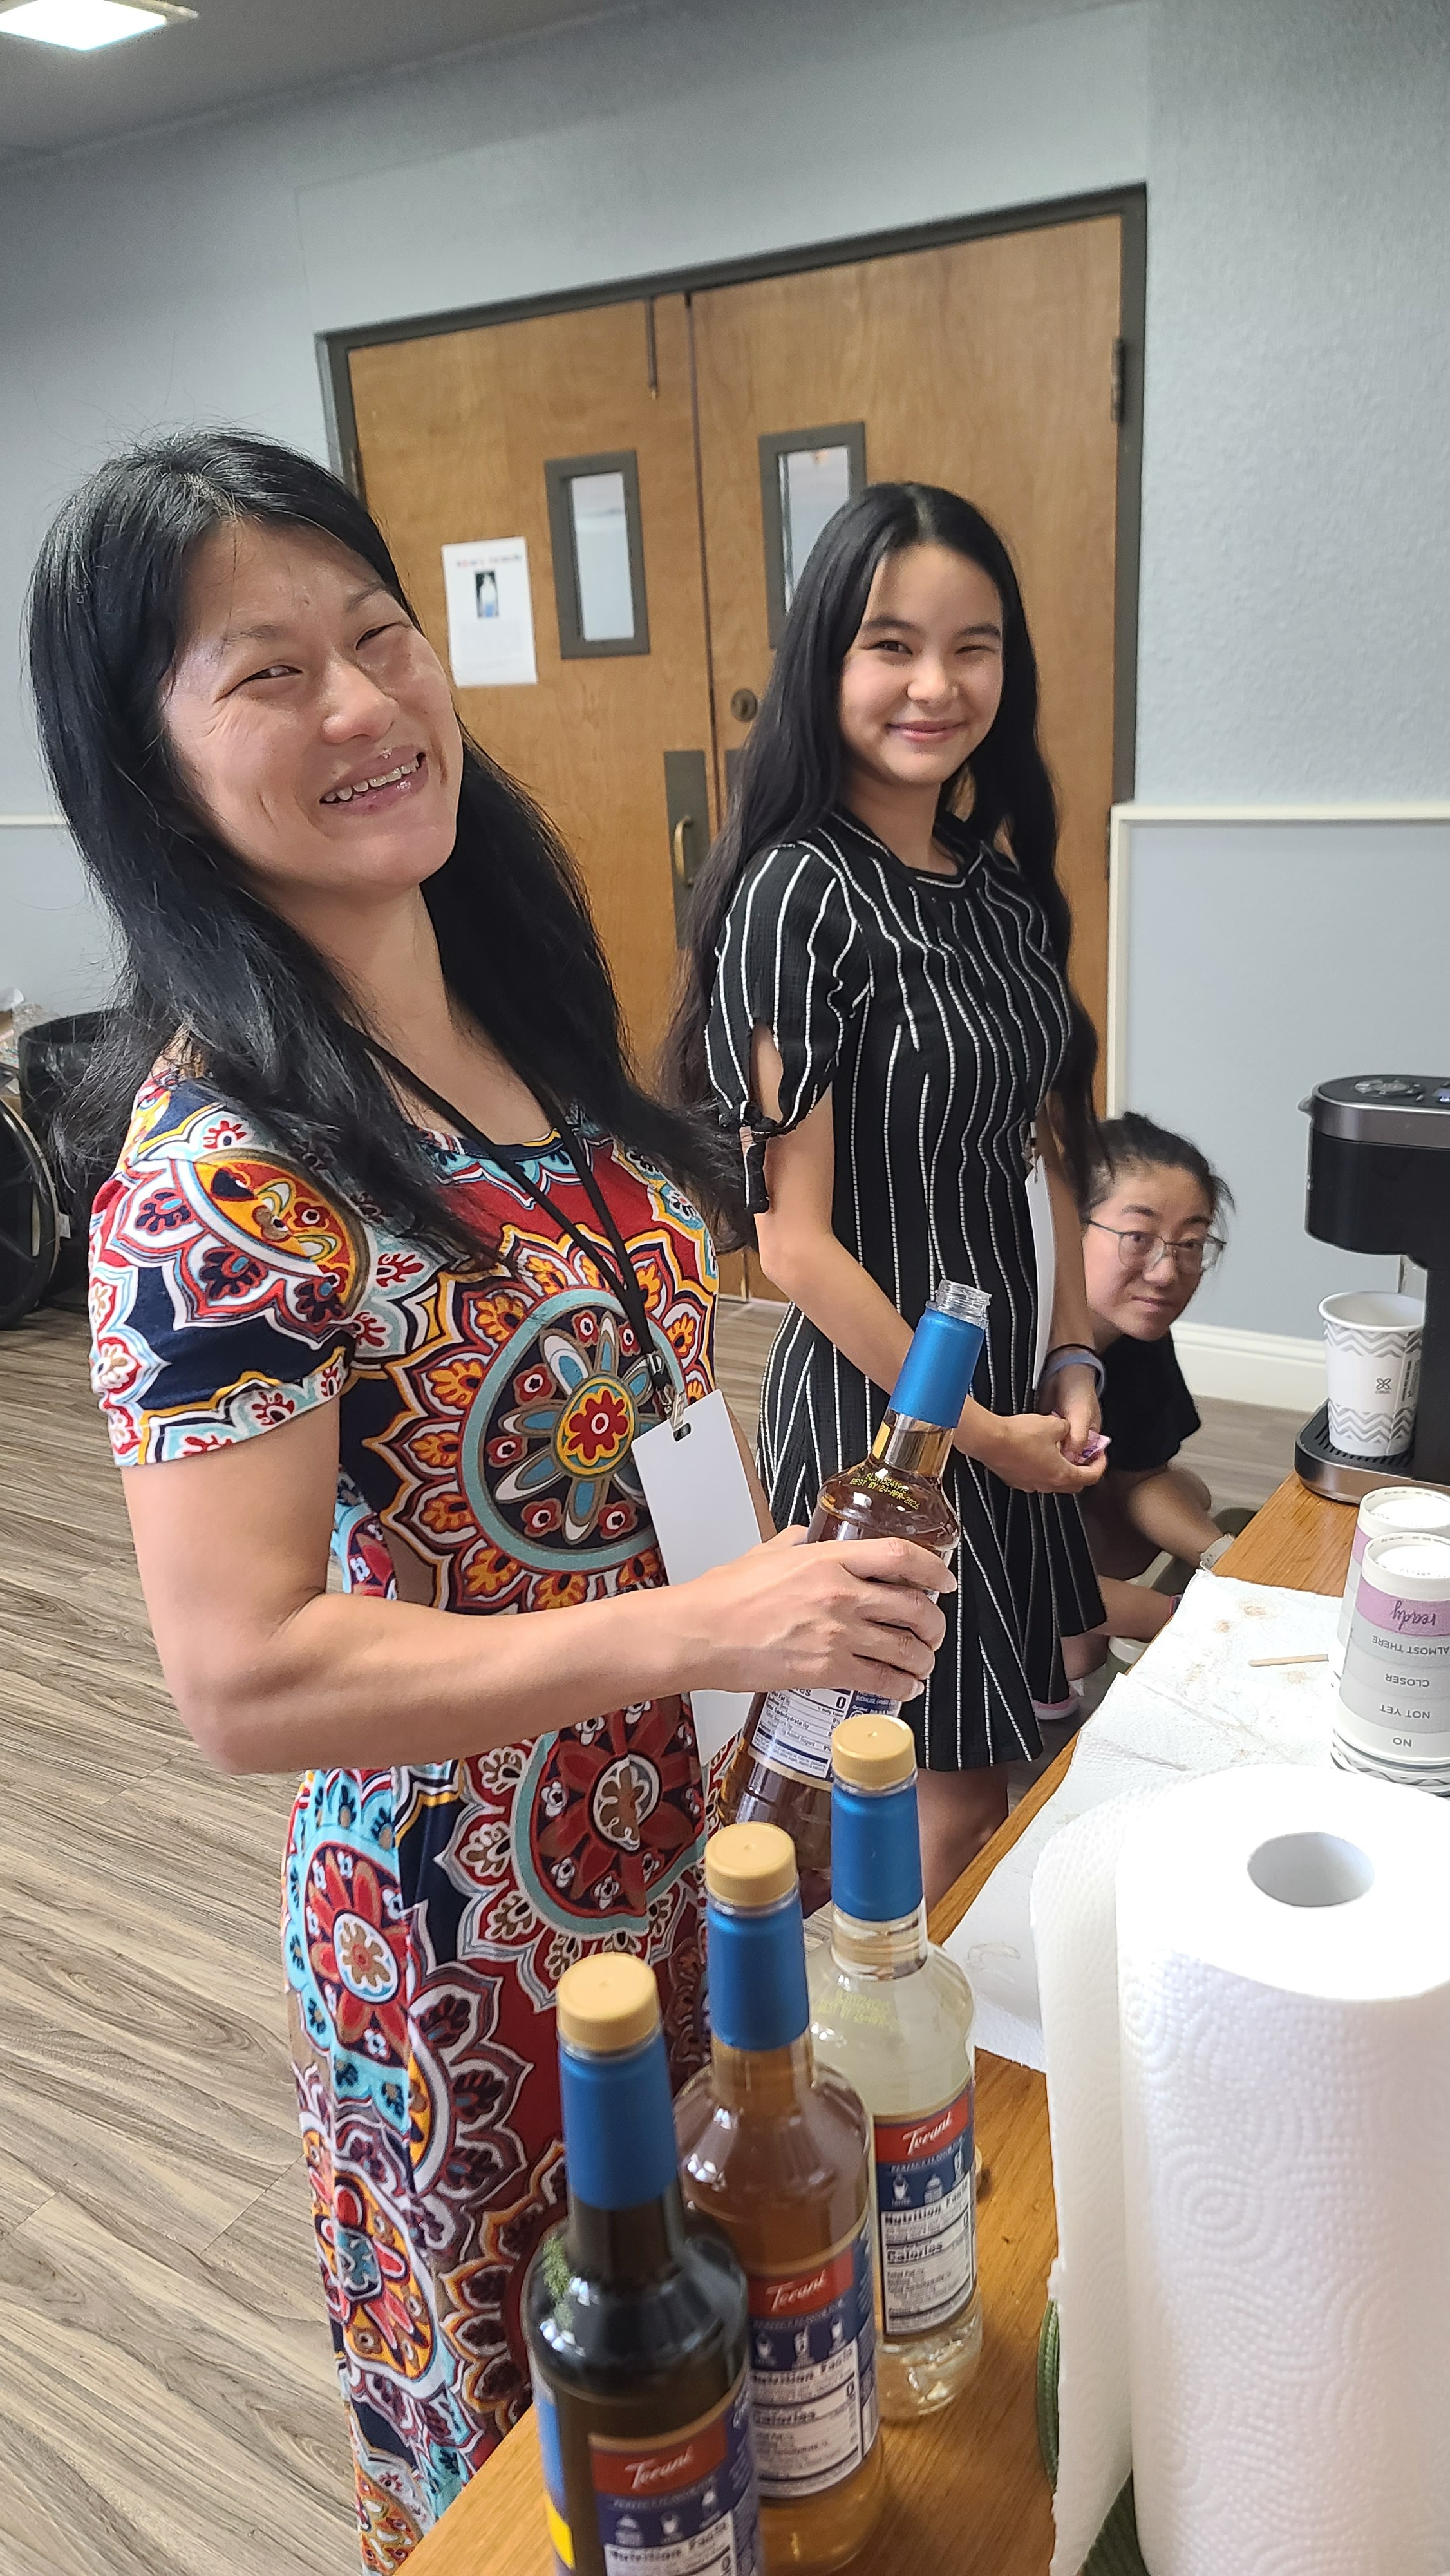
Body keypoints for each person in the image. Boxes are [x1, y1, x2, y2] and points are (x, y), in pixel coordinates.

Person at [27, 432, 951, 2568]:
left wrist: (783, 1600)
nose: (364, 703)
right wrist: (709, 1628)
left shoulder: (517, 1025)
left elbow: (625, 1430)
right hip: (469, 1942)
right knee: (561, 2460)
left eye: (380, 636)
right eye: (270, 674)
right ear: (150, 765)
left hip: (681, 1847)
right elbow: (245, 1676)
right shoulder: (216, 1179)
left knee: (751, 2366)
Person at [667, 482, 1107, 1906]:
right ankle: (878, 2038)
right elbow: (791, 1245)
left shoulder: (997, 889)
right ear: (824, 661)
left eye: (974, 648)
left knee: (1003, 1756)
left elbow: (1043, 1141)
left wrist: (1074, 1352)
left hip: (1005, 1401)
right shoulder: (797, 895)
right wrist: (977, 1434)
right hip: (890, 1430)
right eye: (891, 645)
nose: (936, 685)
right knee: (927, 1790)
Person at [1077, 1110, 1239, 1635]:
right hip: (964, 1559)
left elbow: (1142, 1476)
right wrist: (1195, 1622)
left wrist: (1229, 1561)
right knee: (1077, 1652)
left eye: (1190, 1244)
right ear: (1068, 1226)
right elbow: (999, 1563)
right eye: (1138, 1237)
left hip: (1052, 1528)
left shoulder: (1136, 1332)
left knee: (1186, 1493)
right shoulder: (1005, 1354)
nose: (1166, 1272)